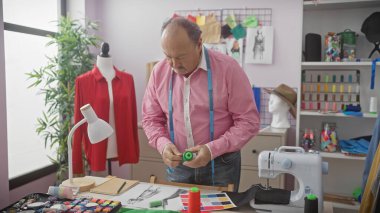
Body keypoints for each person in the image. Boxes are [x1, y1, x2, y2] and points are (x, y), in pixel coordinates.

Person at [142, 17, 260, 192]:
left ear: (199, 44)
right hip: (179, 164)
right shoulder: (159, 72)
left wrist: (212, 149)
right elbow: (151, 119)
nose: (173, 65)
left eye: (180, 57)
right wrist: (163, 144)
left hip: (221, 164)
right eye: (168, 56)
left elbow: (248, 121)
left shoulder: (228, 69)